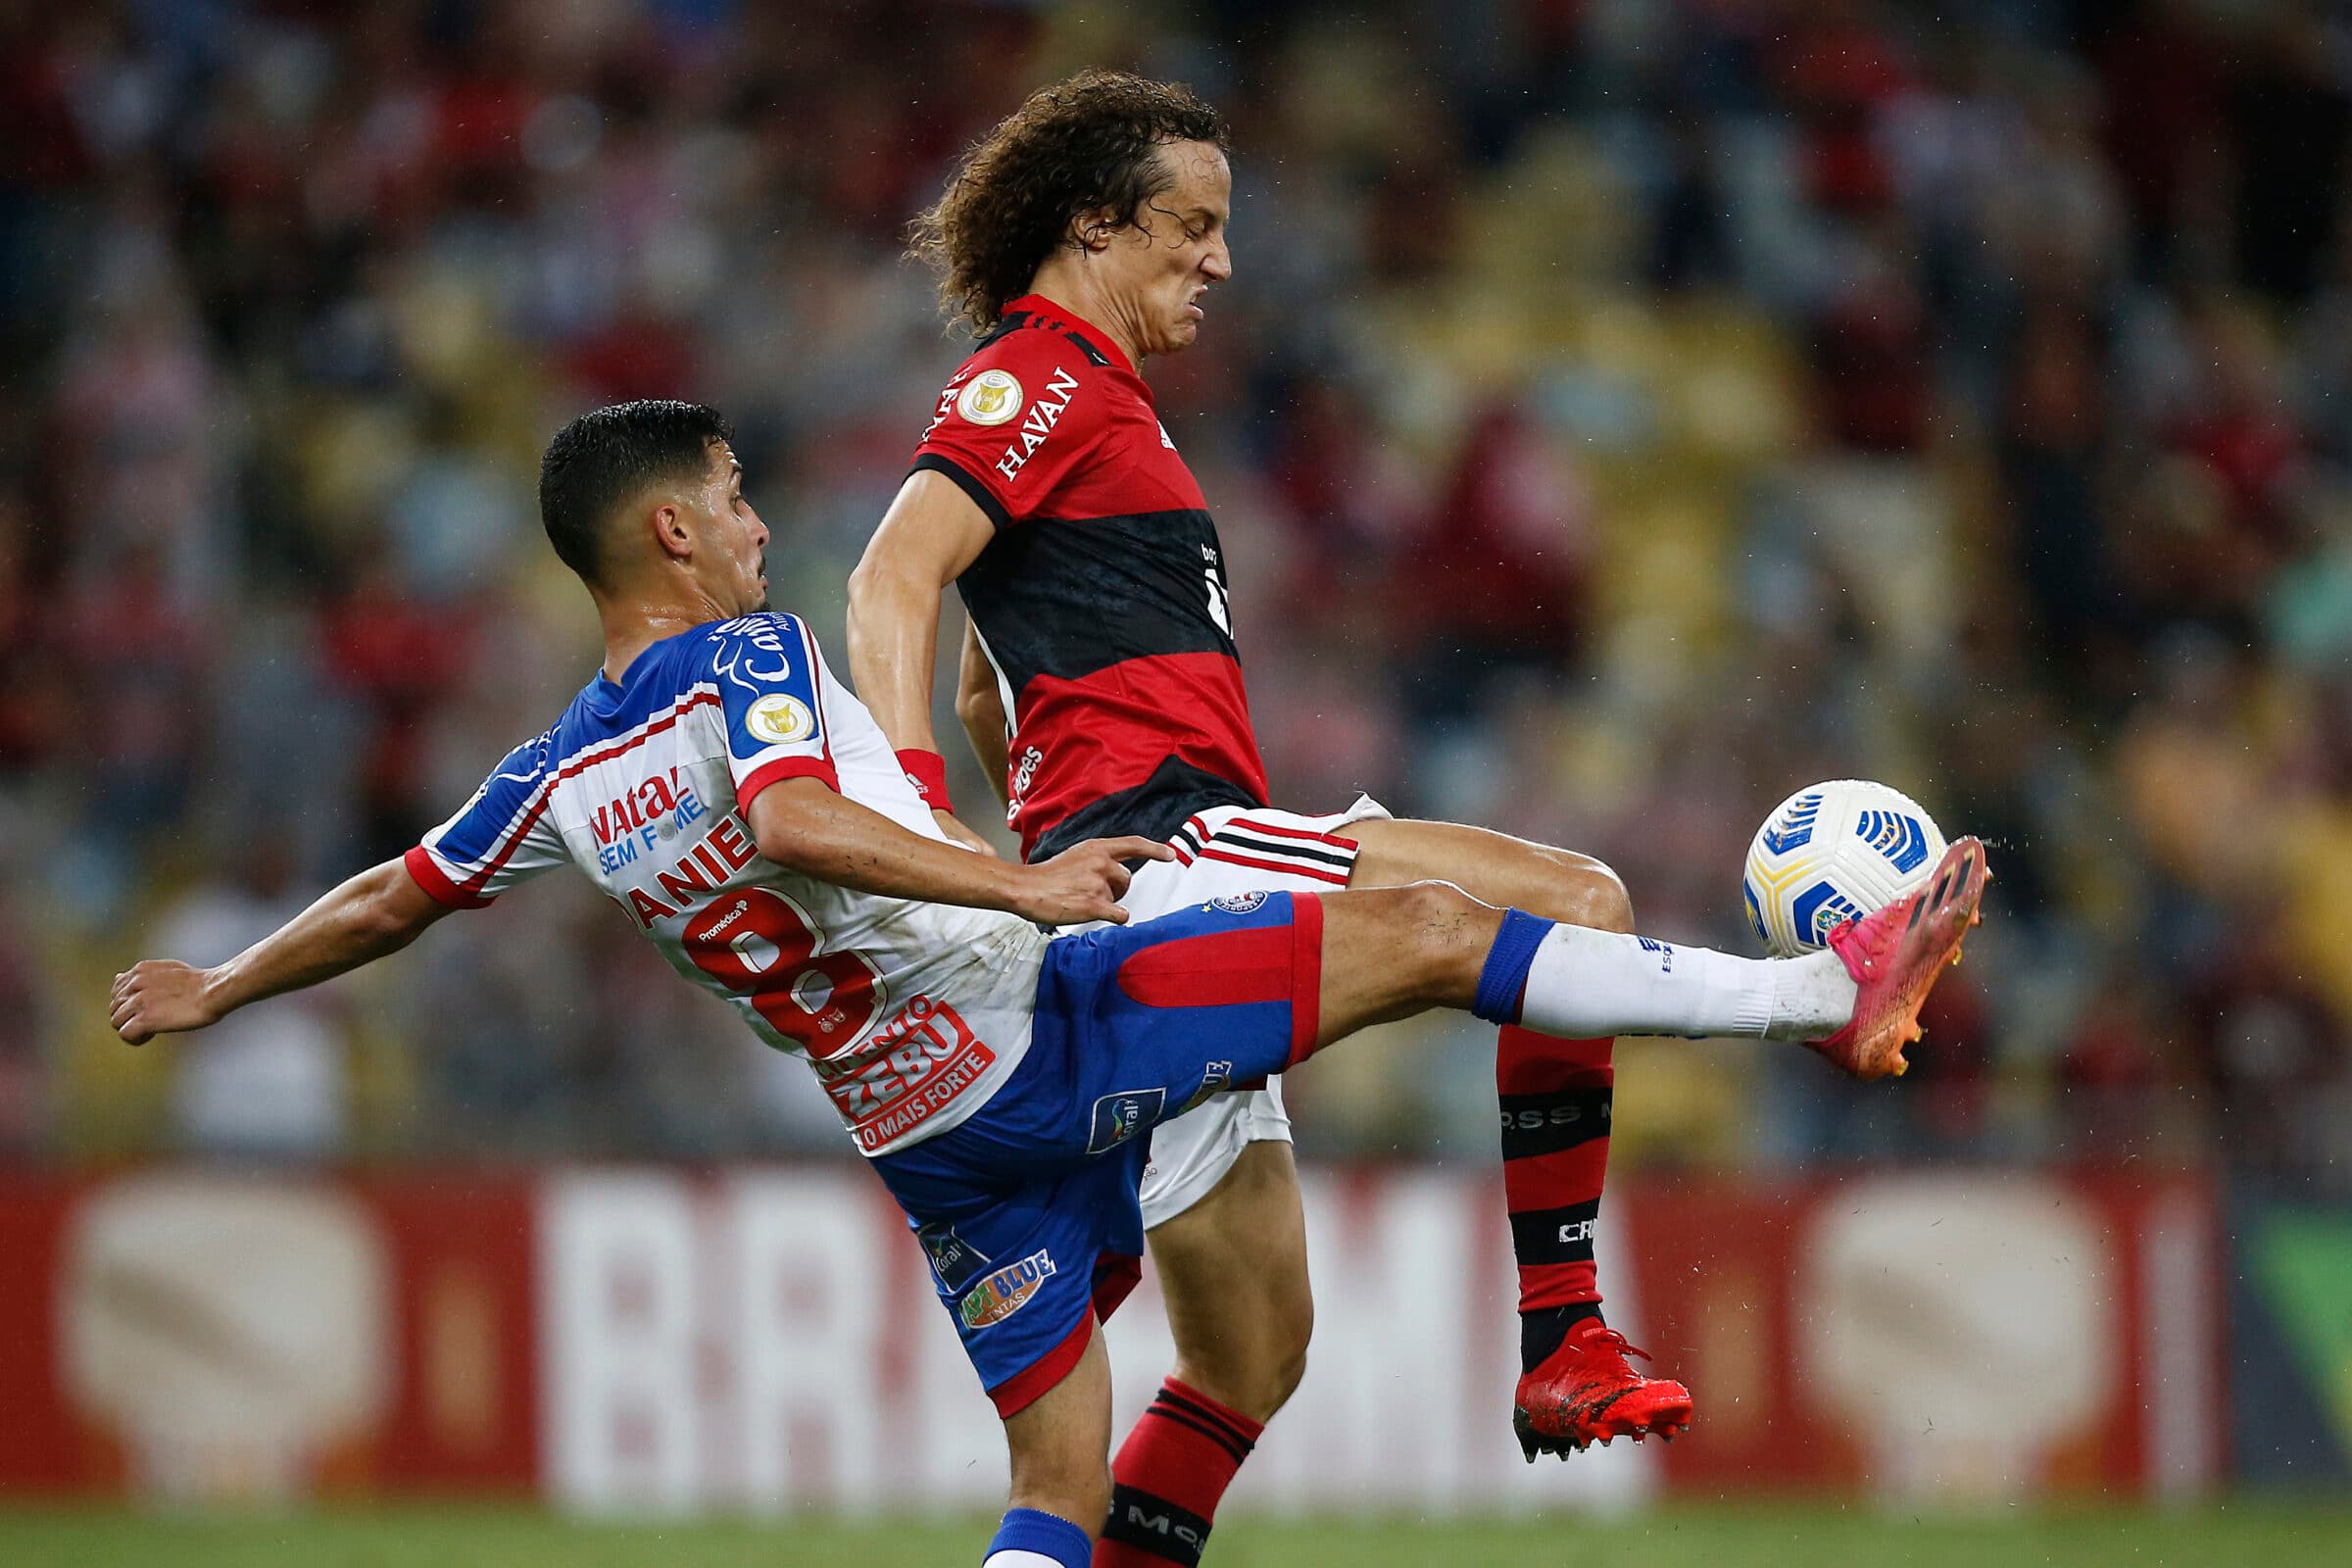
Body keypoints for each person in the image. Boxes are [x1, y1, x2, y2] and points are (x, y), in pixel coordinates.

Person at [111, 401, 1985, 1568]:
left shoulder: (554, 770)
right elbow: (795, 826)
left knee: (1058, 1489)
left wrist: (221, 982)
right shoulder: (742, 657)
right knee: (1429, 940)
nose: (763, 523)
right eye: (738, 495)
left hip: (923, 1139)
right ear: (672, 533)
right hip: (1037, 1026)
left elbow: (390, 897)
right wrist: (1015, 873)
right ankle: (1818, 999)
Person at [846, 74, 1727, 1542]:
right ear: (1093, 224)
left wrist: (1017, 792)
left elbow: (995, 684)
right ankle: (1566, 1331)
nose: (1221, 260)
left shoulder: (1103, 406)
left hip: (1150, 861)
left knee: (1252, 1356)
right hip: (1183, 842)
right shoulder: (1042, 375)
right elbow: (891, 576)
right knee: (1577, 903)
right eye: (1192, 226)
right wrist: (927, 833)